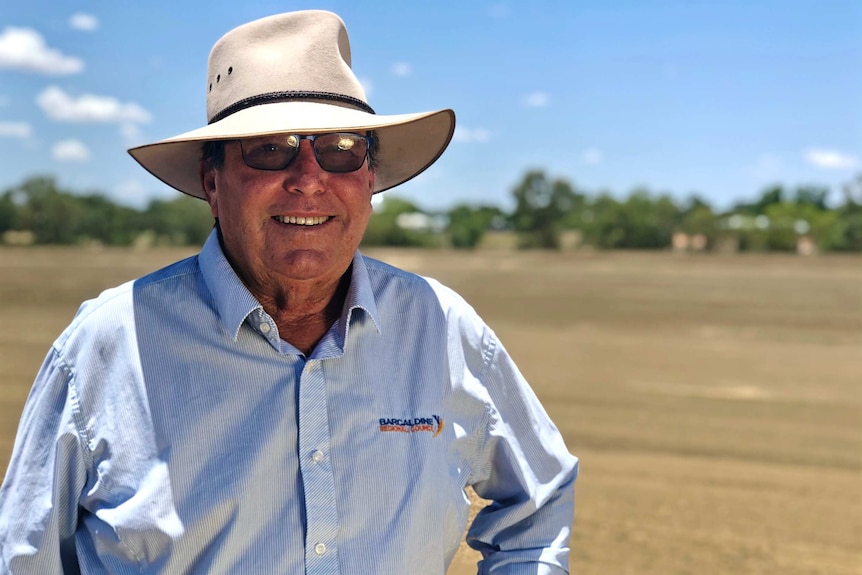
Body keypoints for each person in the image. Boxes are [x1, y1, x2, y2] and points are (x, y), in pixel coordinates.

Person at [0, 10, 577, 574]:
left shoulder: (442, 327)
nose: (308, 177)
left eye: (341, 148)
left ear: (369, 181)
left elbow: (539, 503)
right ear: (211, 180)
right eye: (271, 147)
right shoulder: (104, 347)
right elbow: (25, 560)